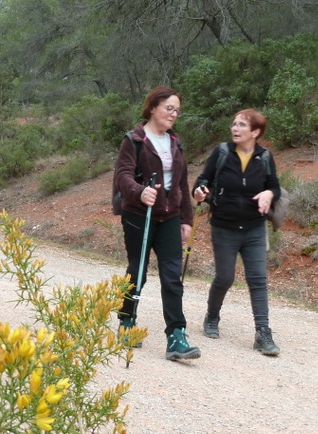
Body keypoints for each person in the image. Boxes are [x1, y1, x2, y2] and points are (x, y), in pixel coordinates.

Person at [114, 86, 200, 361]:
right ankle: (127, 323)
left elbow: (181, 184)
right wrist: (140, 191)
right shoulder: (134, 140)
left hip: (169, 217)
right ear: (153, 108)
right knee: (137, 271)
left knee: (172, 277)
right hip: (139, 215)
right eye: (169, 108)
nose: (173, 114)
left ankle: (176, 336)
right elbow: (123, 175)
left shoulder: (175, 143)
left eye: (177, 110)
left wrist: (186, 219)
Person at [192, 108, 282, 356]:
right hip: (224, 227)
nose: (235, 128)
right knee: (225, 277)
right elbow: (202, 181)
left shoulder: (264, 157)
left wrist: (269, 193)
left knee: (258, 280)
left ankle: (263, 333)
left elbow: (274, 186)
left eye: (241, 125)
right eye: (234, 124)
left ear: (255, 132)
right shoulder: (221, 153)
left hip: (254, 228)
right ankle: (212, 316)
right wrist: (200, 191)